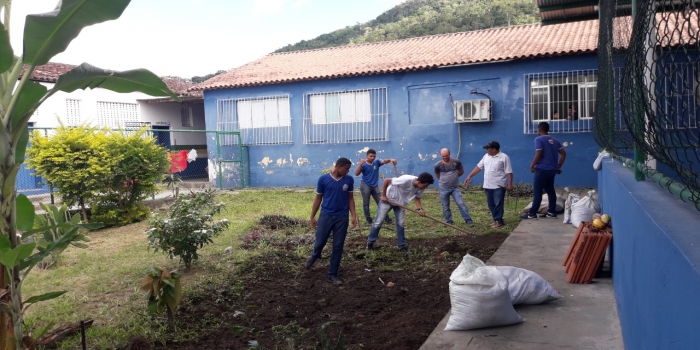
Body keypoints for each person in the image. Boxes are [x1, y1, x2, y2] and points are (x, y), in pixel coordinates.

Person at [305, 157, 358, 285]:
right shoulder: (323, 179)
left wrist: (353, 215)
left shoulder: (349, 180)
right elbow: (318, 198)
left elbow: (350, 198)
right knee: (320, 241)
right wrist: (312, 216)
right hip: (326, 216)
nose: (347, 171)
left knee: (338, 246)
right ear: (338, 167)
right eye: (346, 169)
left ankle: (332, 274)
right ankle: (316, 254)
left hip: (342, 217)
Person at [366, 172, 434, 253]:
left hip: (400, 204)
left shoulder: (421, 187)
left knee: (400, 224)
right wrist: (384, 195)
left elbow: (417, 198)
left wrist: (420, 209)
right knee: (378, 222)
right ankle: (370, 243)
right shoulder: (405, 179)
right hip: (388, 200)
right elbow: (387, 180)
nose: (426, 188)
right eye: (425, 185)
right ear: (419, 182)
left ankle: (402, 246)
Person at [520, 122, 567, 220]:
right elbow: (563, 154)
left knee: (537, 191)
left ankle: (532, 214)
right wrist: (558, 166)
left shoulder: (538, 139)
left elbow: (539, 153)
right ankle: (551, 212)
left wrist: (532, 165)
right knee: (550, 190)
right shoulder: (555, 141)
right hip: (552, 170)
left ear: (539, 129)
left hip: (542, 169)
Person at [464, 141, 513, 228]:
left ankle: (499, 220)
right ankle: (496, 219)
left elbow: (509, 172)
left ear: (494, 149)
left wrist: (510, 184)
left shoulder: (504, 158)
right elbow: (479, 167)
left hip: (498, 185)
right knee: (491, 204)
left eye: (488, 149)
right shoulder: (486, 156)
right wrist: (469, 176)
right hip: (487, 185)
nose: (486, 150)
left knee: (498, 204)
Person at [354, 149, 397, 225]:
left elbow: (384, 161)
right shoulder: (363, 164)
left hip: (375, 186)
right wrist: (360, 164)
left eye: (374, 156)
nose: (373, 158)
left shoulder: (376, 162)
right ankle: (369, 219)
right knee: (366, 203)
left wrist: (390, 160)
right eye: (371, 156)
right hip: (365, 185)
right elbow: (356, 174)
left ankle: (386, 218)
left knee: (382, 202)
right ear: (367, 156)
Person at [434, 148, 474, 227]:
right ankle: (449, 221)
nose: (445, 157)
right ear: (440, 155)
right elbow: (438, 175)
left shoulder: (456, 162)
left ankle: (468, 220)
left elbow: (461, 171)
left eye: (447, 156)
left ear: (449, 154)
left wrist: (454, 177)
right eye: (443, 156)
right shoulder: (437, 165)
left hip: (455, 188)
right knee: (445, 206)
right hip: (443, 188)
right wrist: (445, 181)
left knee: (460, 203)